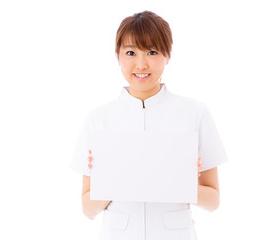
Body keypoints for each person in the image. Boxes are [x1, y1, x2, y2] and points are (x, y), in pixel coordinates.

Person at [70, 10, 229, 240]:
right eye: (131, 52)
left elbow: (213, 201)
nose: (141, 64)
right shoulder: (98, 119)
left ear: (168, 54)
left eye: (152, 52)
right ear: (118, 56)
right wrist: (115, 177)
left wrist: (173, 180)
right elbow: (88, 209)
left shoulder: (195, 113)